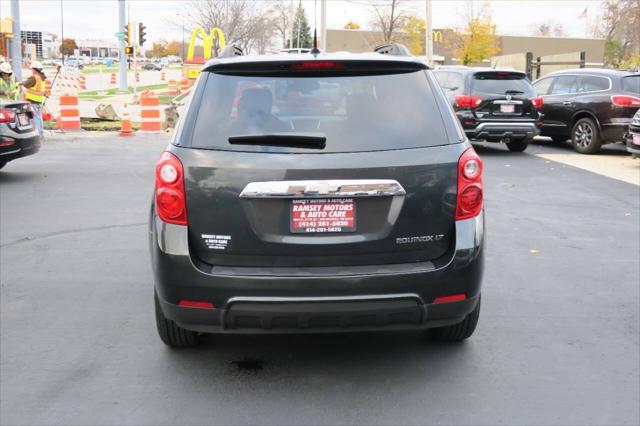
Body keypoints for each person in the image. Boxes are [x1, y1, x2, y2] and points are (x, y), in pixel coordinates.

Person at [19, 61, 47, 134]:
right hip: (38, 100)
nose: (31, 70)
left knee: (35, 117)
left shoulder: (34, 77)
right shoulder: (42, 77)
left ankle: (37, 133)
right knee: (38, 117)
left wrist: (21, 83)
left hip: (33, 100)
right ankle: (40, 132)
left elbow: (26, 84)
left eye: (32, 69)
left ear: (35, 69)